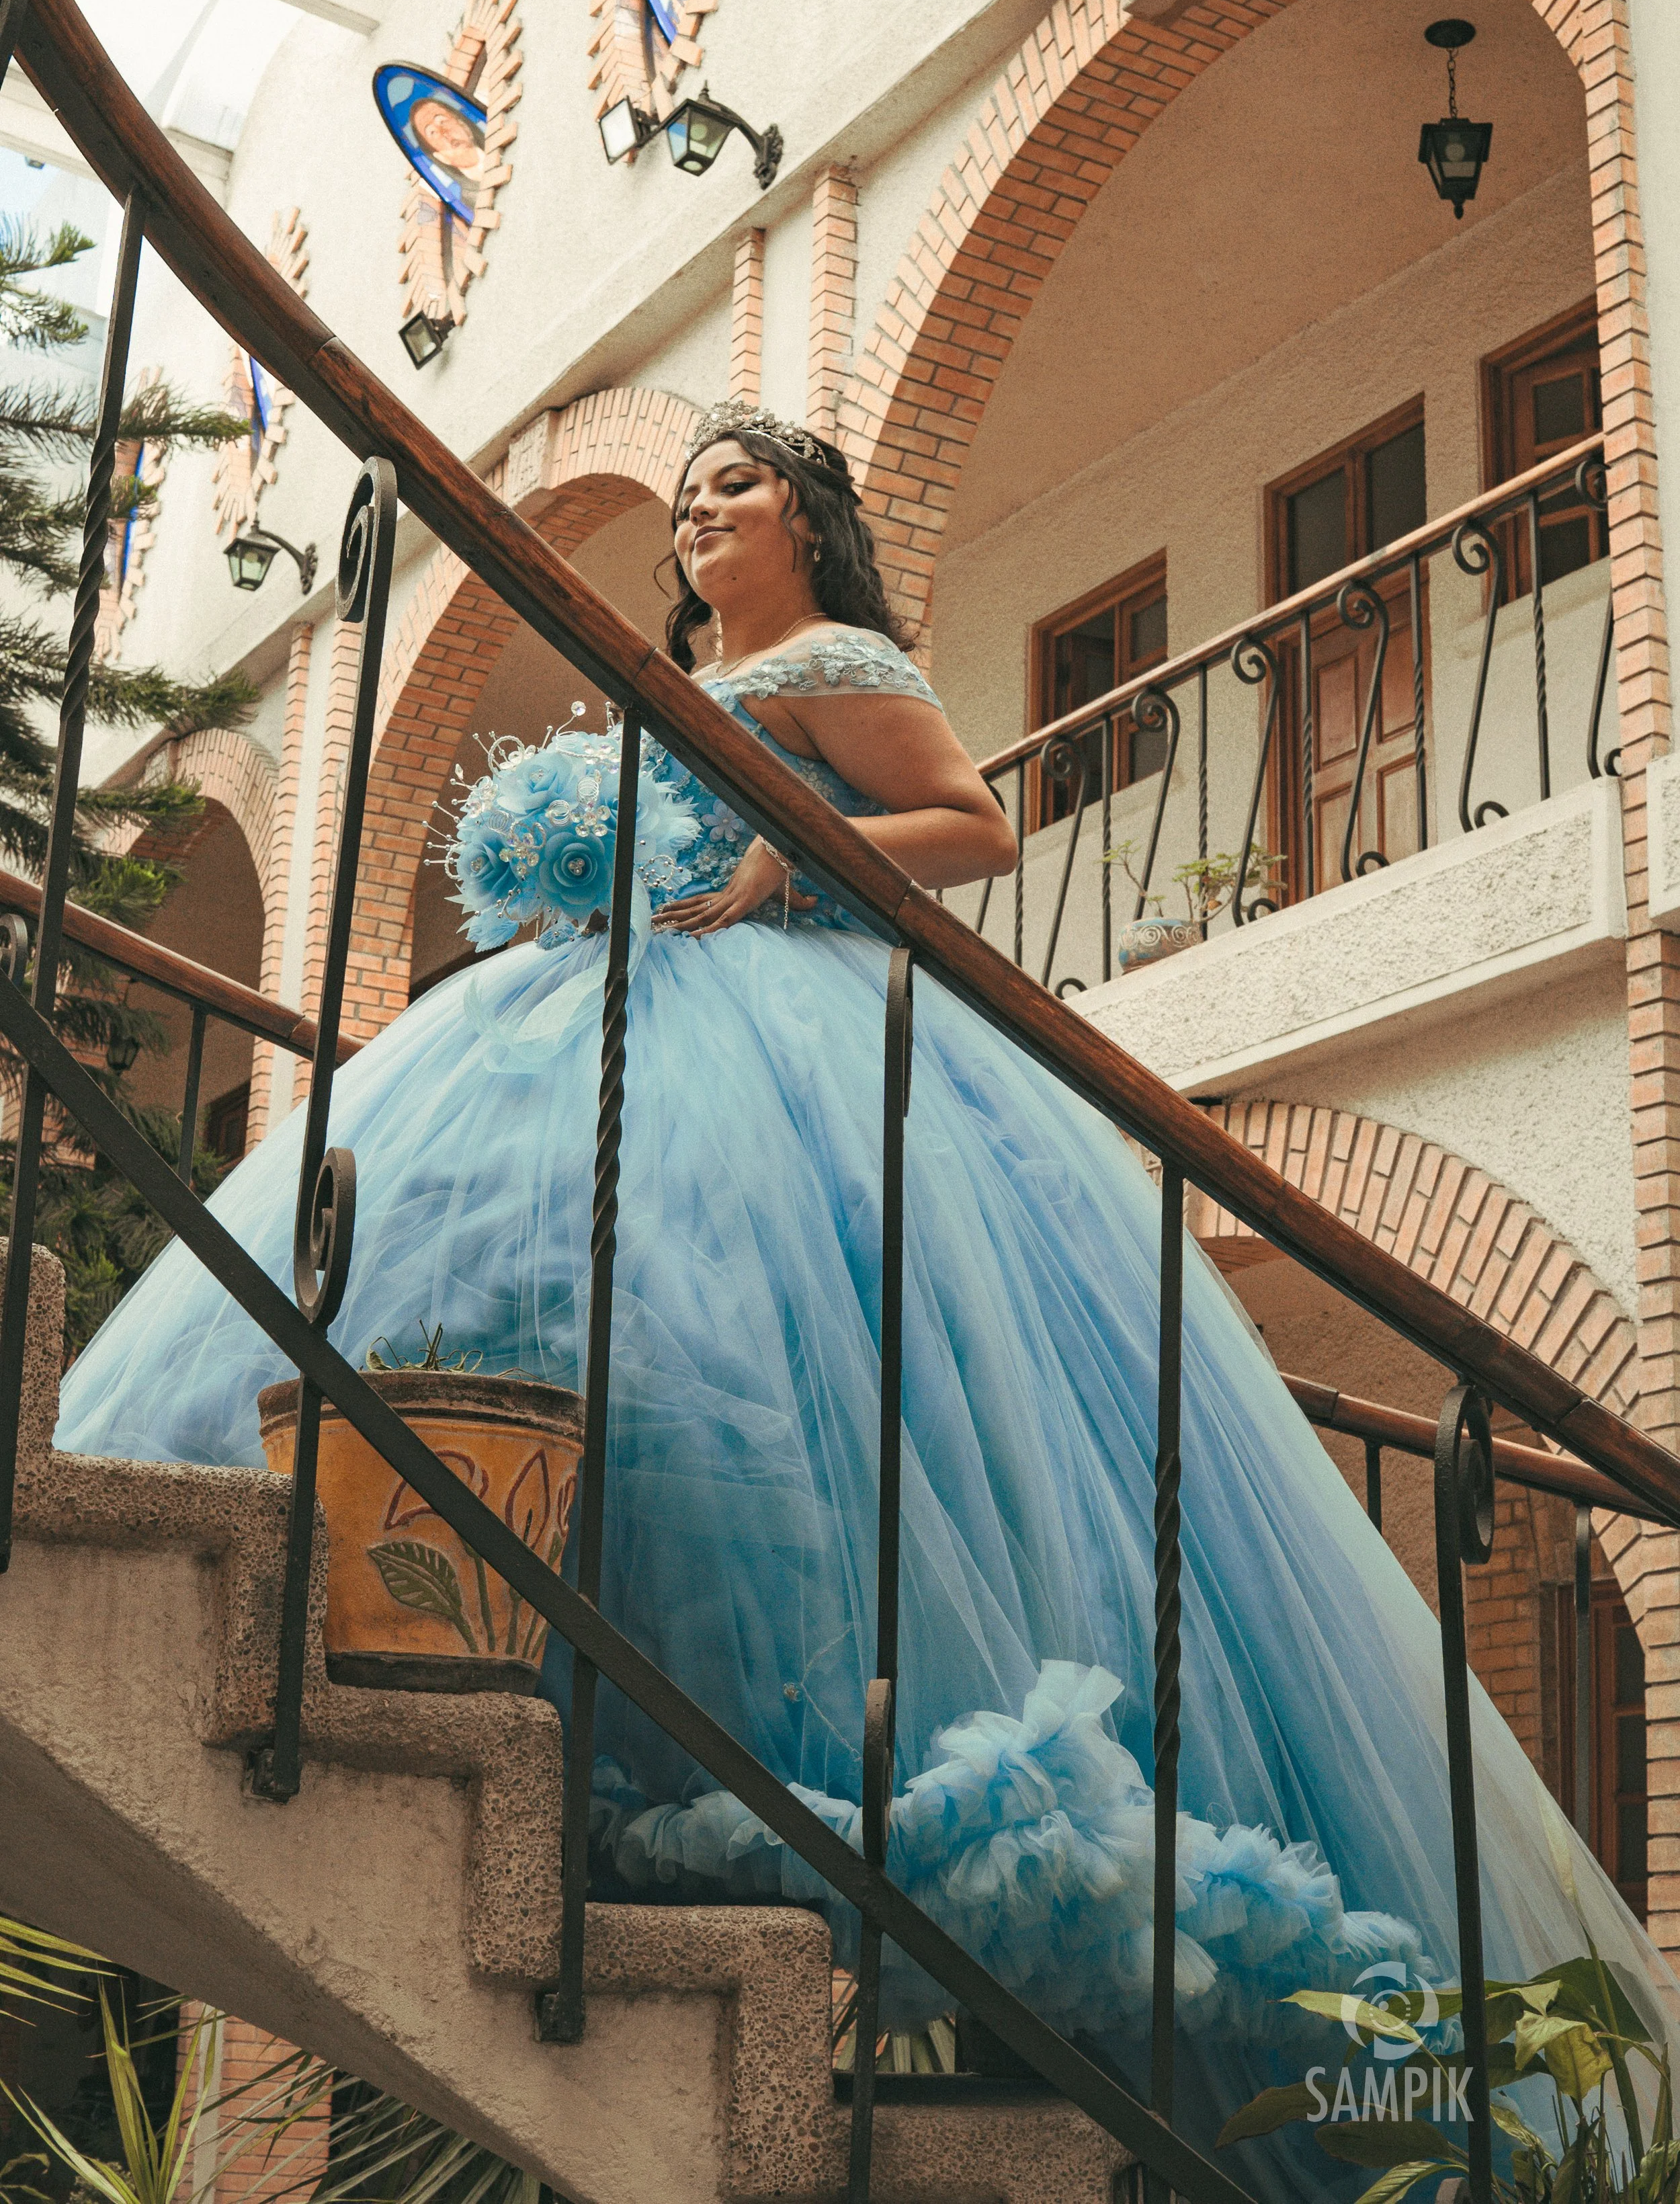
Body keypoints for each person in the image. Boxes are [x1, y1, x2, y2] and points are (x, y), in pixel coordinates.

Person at [54, 402, 1678, 2199]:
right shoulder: (675, 674)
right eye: (681, 499)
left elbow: (969, 827)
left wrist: (790, 860)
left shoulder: (826, 660)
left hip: (795, 1048)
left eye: (731, 487)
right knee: (575, 1366)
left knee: (838, 1422)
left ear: (808, 520)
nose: (695, 519)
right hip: (609, 1039)